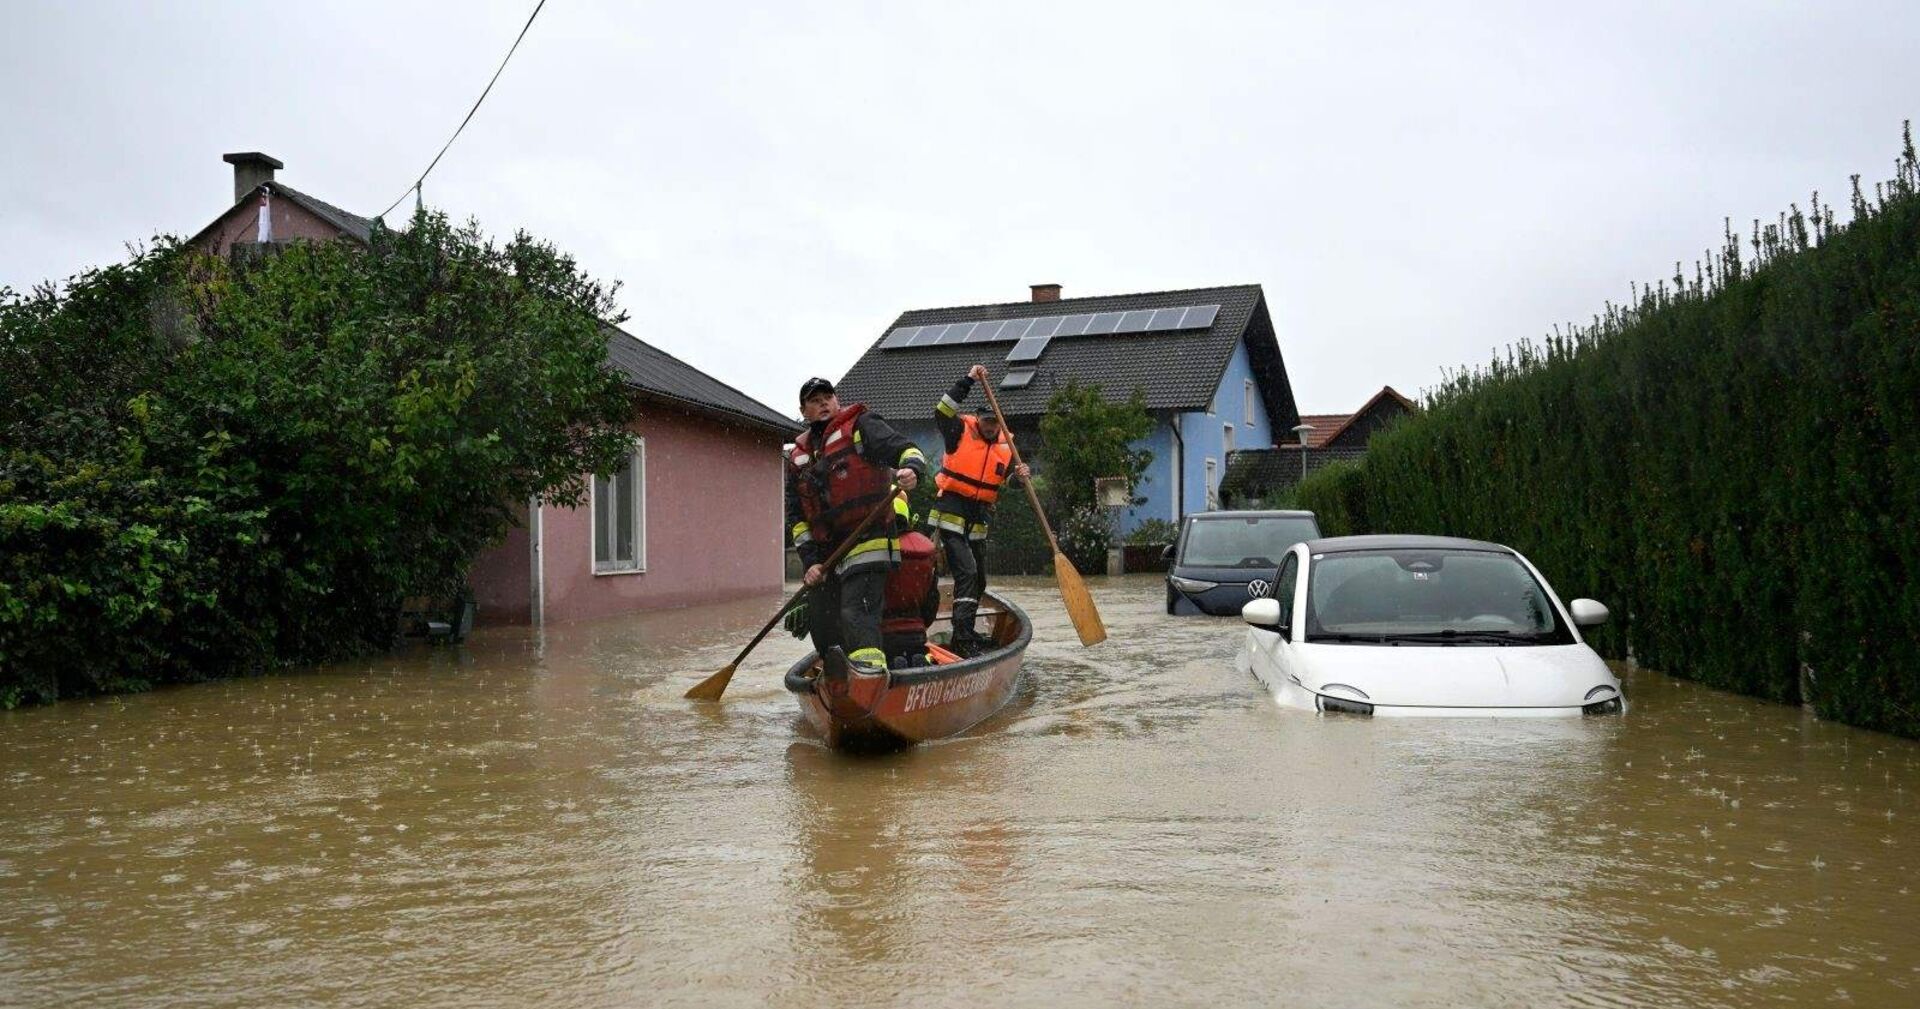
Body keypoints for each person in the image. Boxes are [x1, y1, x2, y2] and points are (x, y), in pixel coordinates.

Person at [787, 377, 929, 675]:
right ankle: (837, 679)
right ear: (803, 410)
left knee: (856, 612)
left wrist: (912, 468)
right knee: (823, 618)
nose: (823, 402)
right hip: (828, 553)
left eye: (828, 396)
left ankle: (868, 676)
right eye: (815, 400)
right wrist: (811, 562)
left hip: (869, 539)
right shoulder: (797, 457)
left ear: (837, 401)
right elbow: (797, 518)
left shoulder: (861, 425)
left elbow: (904, 448)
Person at [931, 364, 1030, 652]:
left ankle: (967, 631)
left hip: (978, 518)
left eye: (994, 423)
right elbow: (942, 409)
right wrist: (968, 380)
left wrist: (1019, 478)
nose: (990, 427)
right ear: (979, 420)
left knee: (980, 579)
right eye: (986, 422)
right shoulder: (958, 430)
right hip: (951, 511)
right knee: (967, 573)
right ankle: (962, 637)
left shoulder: (1005, 445)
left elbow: (1005, 482)